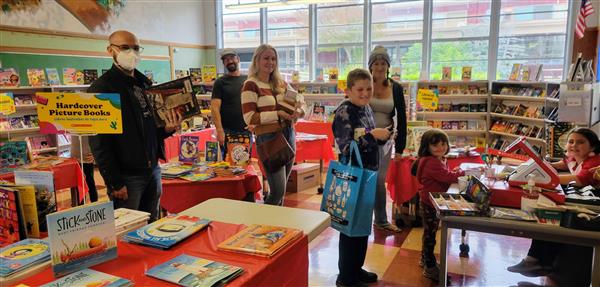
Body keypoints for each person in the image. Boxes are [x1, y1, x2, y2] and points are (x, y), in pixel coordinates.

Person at [88, 30, 182, 222]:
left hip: (152, 169)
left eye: (136, 48)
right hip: (126, 177)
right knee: (128, 227)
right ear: (110, 50)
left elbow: (149, 128)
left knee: (152, 223)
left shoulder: (143, 84)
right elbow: (100, 143)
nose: (131, 52)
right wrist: (114, 182)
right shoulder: (102, 88)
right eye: (124, 47)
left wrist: (166, 129)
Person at [507, 127, 600, 287]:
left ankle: (537, 261)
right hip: (583, 201)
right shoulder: (573, 158)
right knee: (548, 215)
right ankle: (537, 261)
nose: (573, 145)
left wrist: (542, 177)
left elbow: (579, 179)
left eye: (580, 142)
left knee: (551, 215)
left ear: (592, 147)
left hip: (592, 209)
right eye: (571, 141)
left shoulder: (594, 162)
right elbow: (559, 165)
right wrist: (540, 166)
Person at [332, 68, 391, 287]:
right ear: (348, 90)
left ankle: (355, 268)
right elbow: (346, 146)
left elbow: (368, 137)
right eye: (360, 90)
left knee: (362, 226)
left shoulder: (365, 108)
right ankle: (345, 276)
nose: (365, 93)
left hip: (367, 175)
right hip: (352, 176)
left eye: (369, 89)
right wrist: (372, 135)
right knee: (350, 228)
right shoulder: (344, 111)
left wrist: (382, 136)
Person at [241, 44, 306, 206]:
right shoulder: (251, 85)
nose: (270, 62)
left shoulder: (281, 83)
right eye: (266, 58)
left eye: (273, 58)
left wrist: (300, 111)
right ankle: (261, 222)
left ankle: (278, 228)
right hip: (269, 138)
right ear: (257, 60)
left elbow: (301, 100)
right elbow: (249, 118)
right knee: (278, 191)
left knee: (282, 193)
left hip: (289, 134)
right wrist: (277, 114)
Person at [411, 129, 464, 281]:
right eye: (435, 145)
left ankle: (424, 259)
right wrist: (462, 172)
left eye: (443, 144)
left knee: (429, 233)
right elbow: (447, 178)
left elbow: (443, 175)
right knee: (430, 235)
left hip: (429, 200)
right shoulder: (433, 162)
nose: (440, 148)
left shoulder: (433, 159)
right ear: (426, 147)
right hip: (431, 202)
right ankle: (429, 266)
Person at [368, 45, 407, 233]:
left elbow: (403, 118)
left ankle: (381, 219)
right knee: (364, 179)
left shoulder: (396, 88)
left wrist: (400, 148)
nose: (380, 67)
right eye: (376, 63)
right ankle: (363, 216)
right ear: (371, 65)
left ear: (388, 65)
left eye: (383, 63)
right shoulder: (363, 83)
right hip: (364, 140)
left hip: (385, 142)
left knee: (379, 179)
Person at [211, 48, 254, 202]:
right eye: (226, 59)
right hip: (227, 132)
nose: (230, 61)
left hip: (245, 131)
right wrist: (219, 130)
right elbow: (215, 107)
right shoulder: (220, 82)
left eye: (232, 58)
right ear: (223, 63)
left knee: (244, 166)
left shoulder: (248, 80)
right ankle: (229, 198)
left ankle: (246, 197)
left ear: (238, 59)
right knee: (227, 168)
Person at [70, 136, 98, 203]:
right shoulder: (72, 126)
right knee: (79, 185)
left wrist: (94, 154)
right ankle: (81, 206)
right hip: (75, 158)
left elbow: (96, 139)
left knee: (90, 183)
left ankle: (95, 204)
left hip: (86, 158)